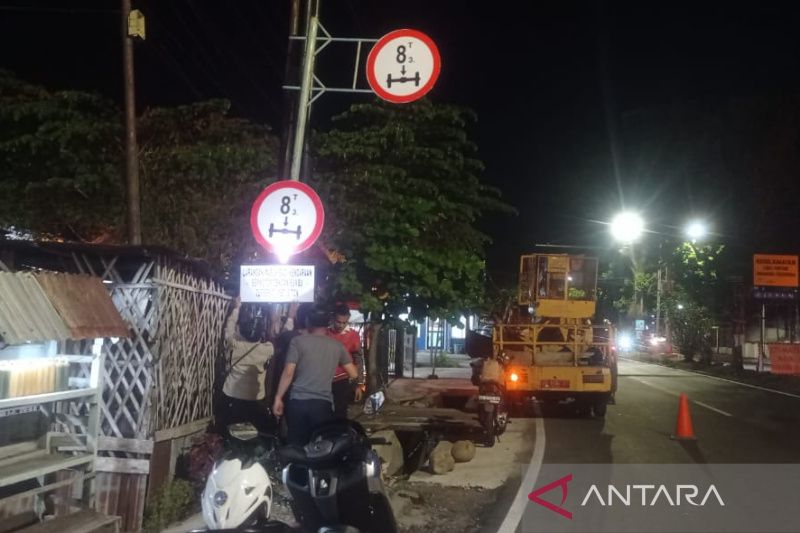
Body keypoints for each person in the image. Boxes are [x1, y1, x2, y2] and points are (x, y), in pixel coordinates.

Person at [272, 308, 358, 446]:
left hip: (298, 402)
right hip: (322, 404)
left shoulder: (297, 342)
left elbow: (288, 372)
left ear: (308, 322)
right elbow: (353, 373)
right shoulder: (337, 346)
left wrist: (278, 397)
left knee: (296, 445)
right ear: (328, 324)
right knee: (319, 447)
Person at [219, 297, 288, 433]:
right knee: (251, 430)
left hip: (232, 394)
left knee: (232, 428)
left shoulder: (235, 346)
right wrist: (274, 321)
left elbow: (229, 329)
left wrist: (236, 308)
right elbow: (275, 337)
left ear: (242, 332)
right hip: (254, 398)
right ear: (260, 334)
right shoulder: (267, 349)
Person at [327, 304, 364, 418]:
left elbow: (358, 360)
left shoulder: (353, 336)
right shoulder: (325, 333)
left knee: (340, 412)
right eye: (339, 322)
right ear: (333, 318)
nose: (341, 325)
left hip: (343, 379)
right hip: (324, 379)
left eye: (344, 322)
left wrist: (359, 384)